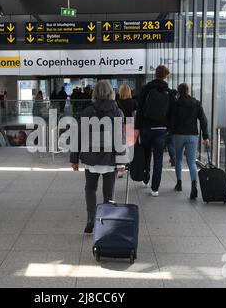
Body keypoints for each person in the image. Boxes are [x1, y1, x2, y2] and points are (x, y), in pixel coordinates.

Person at [70, 80, 126, 234]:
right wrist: (121, 160)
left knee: (90, 188)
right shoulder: (117, 111)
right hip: (110, 158)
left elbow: (79, 136)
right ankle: (106, 222)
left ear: (95, 93)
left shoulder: (88, 111)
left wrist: (74, 159)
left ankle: (90, 218)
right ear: (111, 93)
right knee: (109, 192)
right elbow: (120, 138)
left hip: (91, 157)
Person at [135, 65, 176, 197]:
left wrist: (137, 127)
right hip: (161, 129)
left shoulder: (146, 89)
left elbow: (140, 110)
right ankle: (155, 188)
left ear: (155, 74)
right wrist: (169, 128)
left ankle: (145, 178)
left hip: (146, 128)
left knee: (146, 154)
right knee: (158, 159)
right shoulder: (169, 92)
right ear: (166, 76)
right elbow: (171, 113)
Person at [171, 83, 210, 199]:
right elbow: (203, 120)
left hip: (178, 135)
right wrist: (205, 137)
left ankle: (179, 183)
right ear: (188, 91)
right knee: (192, 162)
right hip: (192, 135)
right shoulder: (196, 103)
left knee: (178, 159)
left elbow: (172, 120)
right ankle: (194, 185)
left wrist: (169, 132)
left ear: (179, 91)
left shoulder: (176, 104)